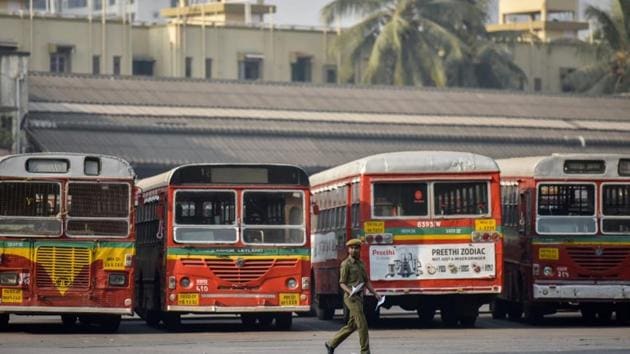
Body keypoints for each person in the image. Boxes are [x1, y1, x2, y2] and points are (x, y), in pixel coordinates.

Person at [325, 238, 381, 354]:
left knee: (352, 325)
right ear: (348, 250)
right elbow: (342, 283)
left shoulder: (361, 264)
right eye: (352, 248)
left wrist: (375, 293)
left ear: (360, 249)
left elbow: (366, 281)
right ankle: (365, 351)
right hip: (351, 298)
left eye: (356, 248)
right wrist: (350, 291)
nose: (354, 250)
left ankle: (331, 343)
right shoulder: (346, 264)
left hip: (359, 297)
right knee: (362, 324)